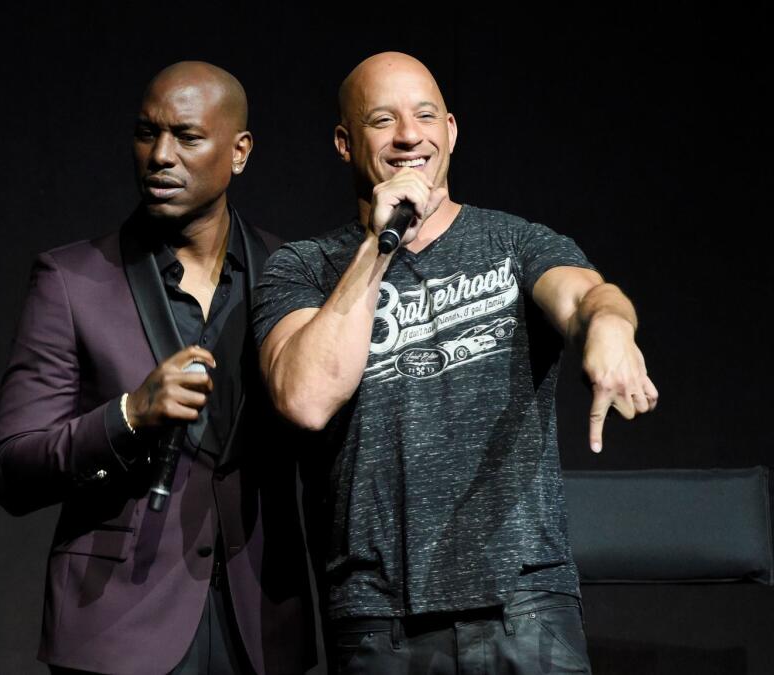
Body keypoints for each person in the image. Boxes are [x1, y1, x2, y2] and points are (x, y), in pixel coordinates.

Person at [252, 52, 658, 674]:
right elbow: (306, 398)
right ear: (343, 142)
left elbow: (585, 295)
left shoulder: (514, 242)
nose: (409, 135)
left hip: (524, 605)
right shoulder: (304, 269)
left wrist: (609, 326)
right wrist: (377, 248)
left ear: (451, 130)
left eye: (424, 116)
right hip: (377, 618)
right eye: (382, 120)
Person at [0, 62, 316, 675]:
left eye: (187, 137)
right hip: (121, 623)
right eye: (147, 133)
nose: (160, 155)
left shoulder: (290, 271)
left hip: (261, 625)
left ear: (239, 151)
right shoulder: (72, 281)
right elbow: (13, 469)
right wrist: (127, 416)